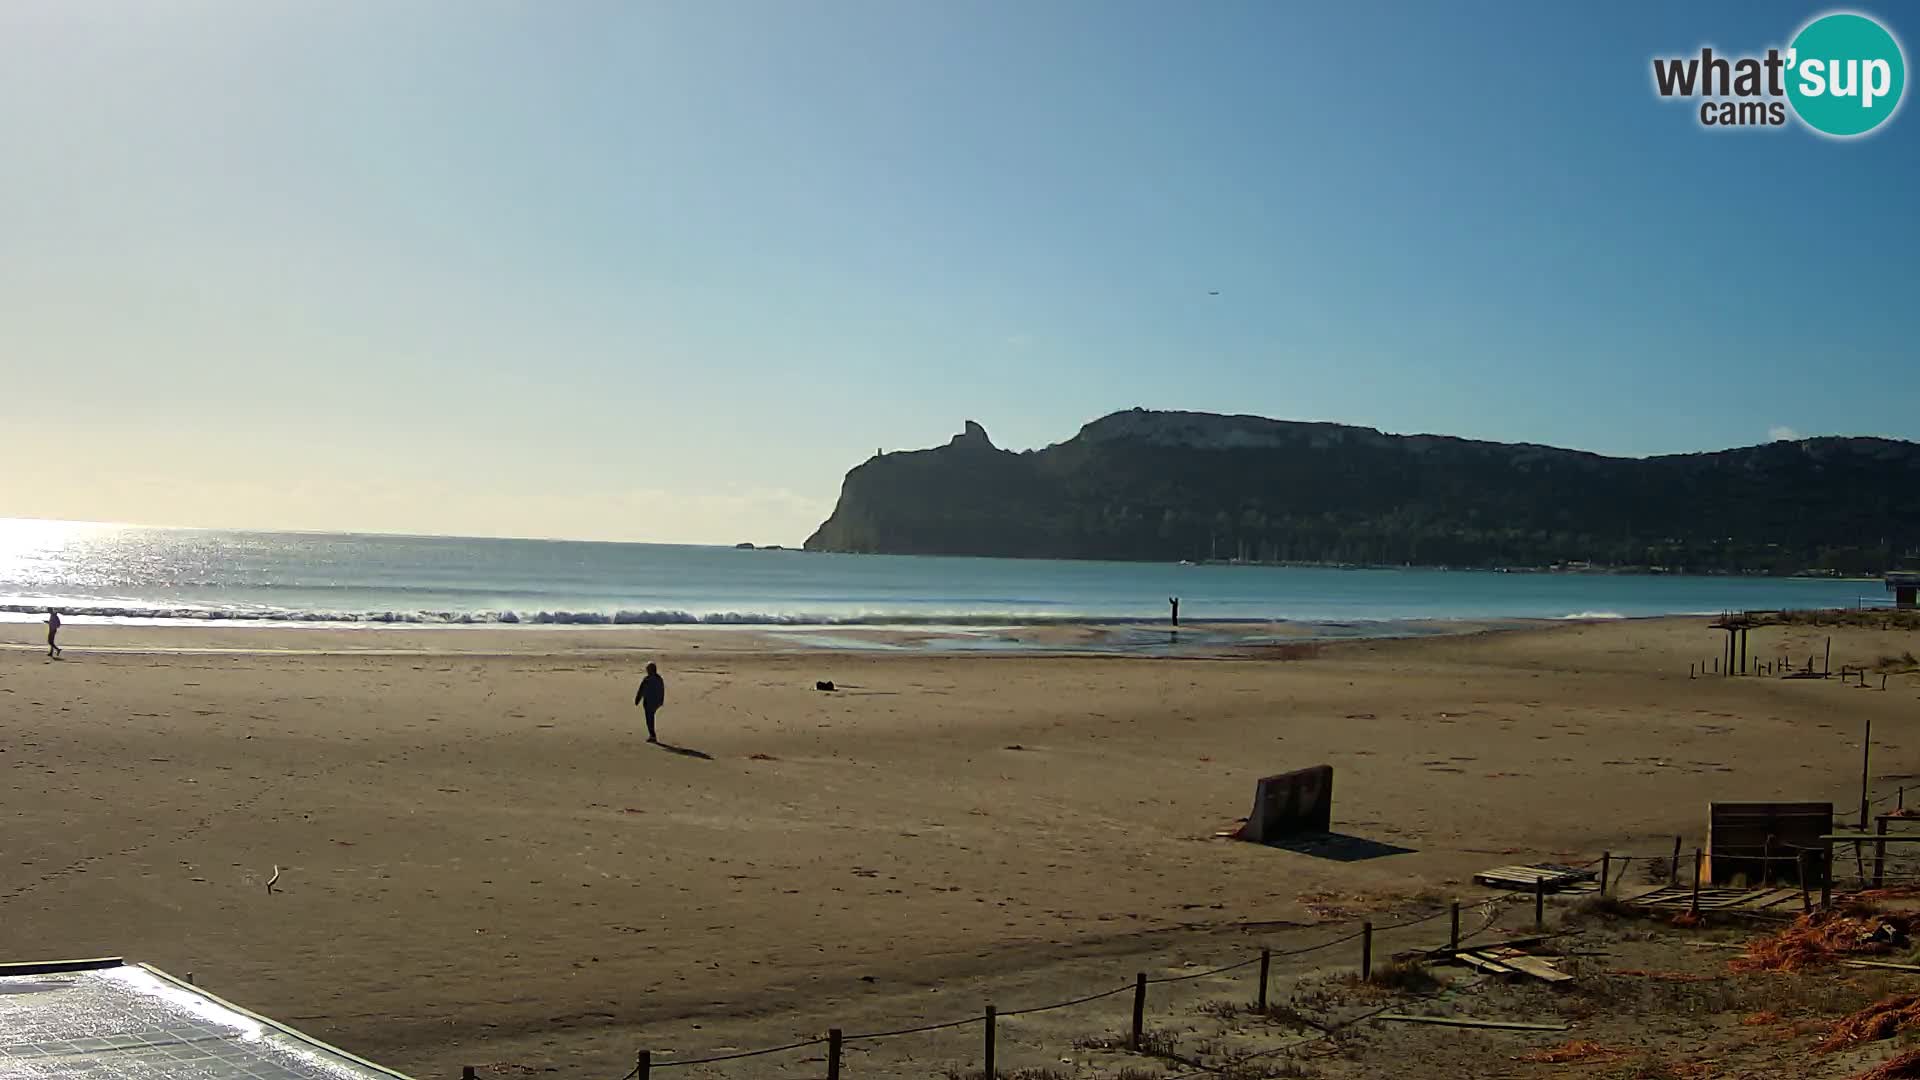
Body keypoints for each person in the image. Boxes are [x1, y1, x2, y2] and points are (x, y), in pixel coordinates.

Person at [634, 662, 665, 743]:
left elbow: (641, 690)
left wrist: (637, 700)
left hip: (649, 702)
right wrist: (661, 701)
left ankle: (652, 736)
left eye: (647, 669)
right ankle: (652, 735)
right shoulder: (659, 678)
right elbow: (662, 690)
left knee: (649, 719)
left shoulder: (647, 679)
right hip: (656, 702)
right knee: (651, 718)